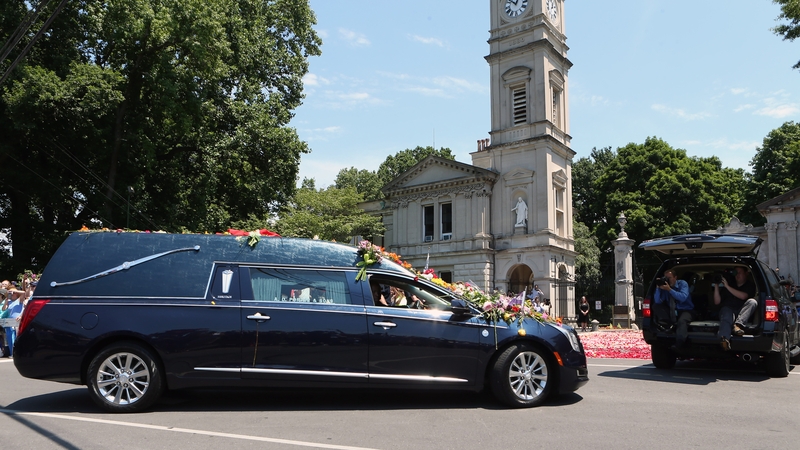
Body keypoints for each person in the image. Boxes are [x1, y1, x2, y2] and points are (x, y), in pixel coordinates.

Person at [713, 267, 757, 351]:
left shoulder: (750, 285)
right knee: (726, 314)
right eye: (735, 273)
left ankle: (738, 326)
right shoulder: (730, 284)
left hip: (742, 312)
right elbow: (717, 302)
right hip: (729, 310)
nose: (737, 275)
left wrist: (727, 286)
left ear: (746, 273)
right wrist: (716, 285)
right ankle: (724, 339)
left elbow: (743, 296)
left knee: (752, 302)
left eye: (739, 272)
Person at [652, 269, 697, 348]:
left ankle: (680, 343)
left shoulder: (682, 284)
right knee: (656, 306)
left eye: (669, 278)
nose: (667, 280)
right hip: (672, 310)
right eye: (665, 278)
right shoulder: (664, 287)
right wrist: (658, 288)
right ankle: (668, 326)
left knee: (682, 321)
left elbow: (682, 297)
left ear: (675, 277)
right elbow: (658, 301)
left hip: (686, 309)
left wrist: (670, 290)